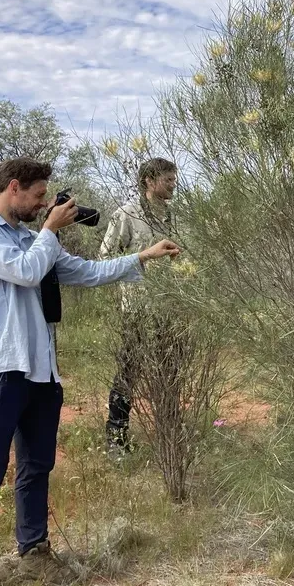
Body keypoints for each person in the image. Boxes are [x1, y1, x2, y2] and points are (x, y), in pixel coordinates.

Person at [0, 157, 179, 586]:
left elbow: (85, 272)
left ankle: (33, 552)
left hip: (41, 373)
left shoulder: (34, 239)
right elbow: (25, 271)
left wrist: (141, 257)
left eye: (46, 197)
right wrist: (50, 229)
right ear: (13, 188)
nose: (43, 203)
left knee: (36, 467)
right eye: (38, 195)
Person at [99, 157, 177, 456]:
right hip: (137, 308)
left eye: (173, 178)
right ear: (149, 181)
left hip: (170, 307)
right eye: (167, 179)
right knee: (129, 372)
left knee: (171, 371)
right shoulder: (126, 215)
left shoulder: (174, 215)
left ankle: (169, 435)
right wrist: (144, 257)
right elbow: (104, 258)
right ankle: (116, 439)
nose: (173, 184)